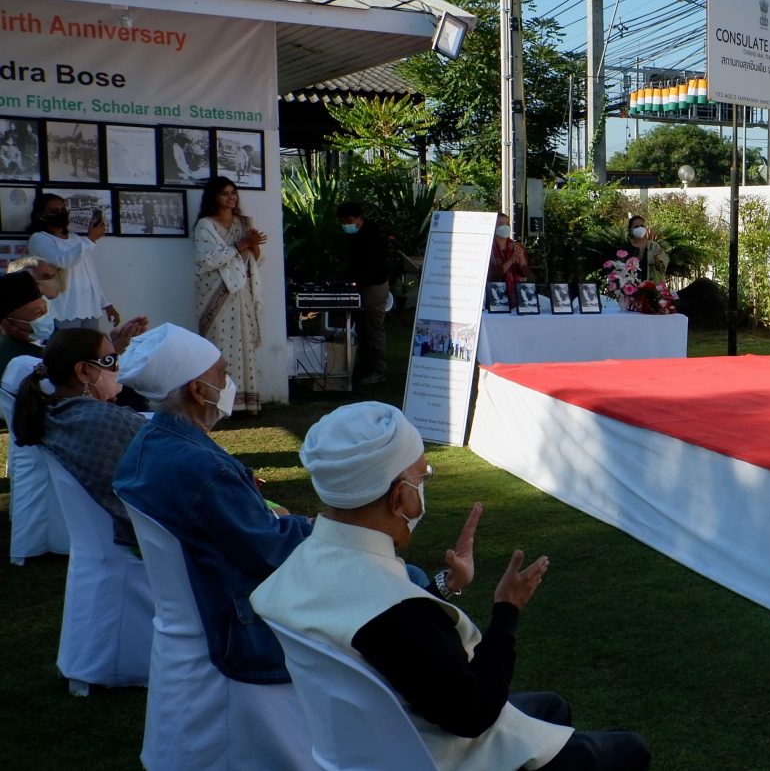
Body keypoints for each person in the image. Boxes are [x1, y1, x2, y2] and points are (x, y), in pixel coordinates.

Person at [251, 402, 652, 771]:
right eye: (422, 477)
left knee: (551, 706)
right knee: (630, 748)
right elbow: (473, 715)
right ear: (399, 496)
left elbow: (384, 631)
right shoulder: (400, 614)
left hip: (371, 747)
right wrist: (507, 610)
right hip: (436, 753)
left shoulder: (298, 568)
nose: (423, 489)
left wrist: (446, 583)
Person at [115, 323, 313, 683]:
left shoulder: (150, 441)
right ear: (198, 389)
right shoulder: (205, 468)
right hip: (240, 623)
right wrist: (324, 528)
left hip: (203, 602)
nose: (228, 382)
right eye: (222, 373)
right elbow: (270, 552)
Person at [12, 329, 144, 546]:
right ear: (83, 370)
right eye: (110, 361)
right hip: (135, 541)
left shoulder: (53, 413)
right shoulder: (102, 421)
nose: (118, 368)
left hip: (97, 542)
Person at [193, 176, 266, 414]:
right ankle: (219, 403)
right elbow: (206, 260)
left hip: (241, 293)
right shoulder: (205, 225)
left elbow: (255, 260)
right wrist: (241, 245)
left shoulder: (244, 224)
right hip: (215, 296)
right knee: (219, 347)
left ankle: (245, 403)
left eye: (233, 192)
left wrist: (253, 244)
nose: (231, 197)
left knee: (244, 346)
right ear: (213, 196)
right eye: (225, 193)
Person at [26, 192, 119, 331]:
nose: (60, 214)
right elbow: (62, 261)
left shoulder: (76, 239)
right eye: (54, 211)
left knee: (91, 344)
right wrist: (90, 239)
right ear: (41, 215)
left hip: (89, 307)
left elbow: (90, 275)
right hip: (64, 309)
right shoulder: (39, 239)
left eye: (63, 210)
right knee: (67, 344)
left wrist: (106, 304)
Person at [336, 201, 390, 386]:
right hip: (361, 285)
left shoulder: (374, 236)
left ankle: (378, 370)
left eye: (348, 221)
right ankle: (365, 367)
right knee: (361, 328)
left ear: (359, 219)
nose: (346, 225)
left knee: (373, 328)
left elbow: (374, 265)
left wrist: (357, 281)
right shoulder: (354, 235)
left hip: (374, 285)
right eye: (343, 222)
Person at [0, 270, 52, 379]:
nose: (45, 317)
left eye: (45, 309)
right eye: (38, 314)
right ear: (8, 323)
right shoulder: (28, 362)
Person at [488, 213, 530, 302]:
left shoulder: (518, 247)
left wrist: (522, 259)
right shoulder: (488, 248)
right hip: (495, 297)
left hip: (518, 296)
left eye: (507, 224)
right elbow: (491, 275)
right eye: (501, 224)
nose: (505, 227)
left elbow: (525, 273)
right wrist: (510, 260)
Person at [623, 216, 669, 285]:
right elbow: (622, 268)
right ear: (630, 230)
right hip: (631, 287)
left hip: (651, 287)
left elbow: (662, 269)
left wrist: (656, 257)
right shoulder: (625, 248)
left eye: (642, 226)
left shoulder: (654, 246)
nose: (640, 228)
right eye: (636, 226)